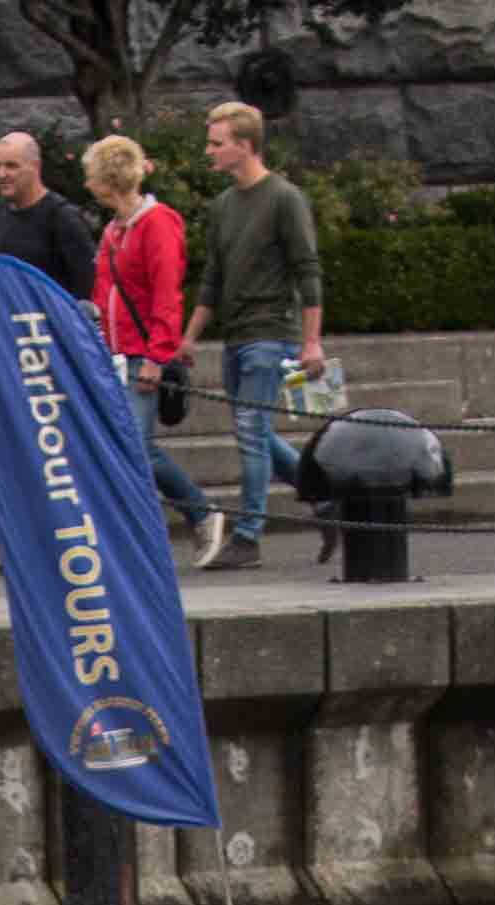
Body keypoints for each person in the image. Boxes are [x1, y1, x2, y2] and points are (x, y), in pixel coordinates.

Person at [195, 103, 323, 574]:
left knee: (251, 434)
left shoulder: (285, 199)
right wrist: (189, 338)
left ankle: (248, 536)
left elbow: (307, 271)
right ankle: (327, 501)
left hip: (270, 336)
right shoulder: (223, 205)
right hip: (236, 336)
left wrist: (311, 342)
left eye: (216, 143)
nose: (208, 151)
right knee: (257, 433)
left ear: (245, 146)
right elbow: (213, 277)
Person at [83, 133, 221, 560]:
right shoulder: (114, 230)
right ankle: (169, 524)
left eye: (92, 176)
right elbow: (104, 292)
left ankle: (197, 512)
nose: (88, 184)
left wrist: (156, 356)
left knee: (135, 447)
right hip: (117, 354)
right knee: (129, 446)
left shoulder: (156, 223)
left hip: (140, 355)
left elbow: (166, 295)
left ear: (108, 180)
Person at [0, 131, 100, 301]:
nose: (1, 174)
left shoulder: (62, 217)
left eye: (11, 166)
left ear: (35, 167)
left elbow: (89, 287)